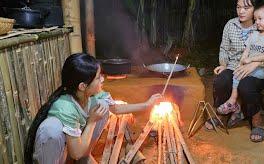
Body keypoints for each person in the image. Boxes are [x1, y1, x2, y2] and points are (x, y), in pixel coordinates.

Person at [24, 53, 163, 163]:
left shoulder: (91, 95)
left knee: (103, 106)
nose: (102, 79)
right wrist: (91, 121)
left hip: (74, 148)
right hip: (57, 154)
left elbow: (115, 109)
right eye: (98, 77)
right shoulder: (65, 107)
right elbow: (76, 153)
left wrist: (147, 104)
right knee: (51, 129)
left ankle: (85, 158)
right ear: (82, 86)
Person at [205, 0, 264, 142]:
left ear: (256, 8)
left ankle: (257, 121)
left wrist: (257, 64)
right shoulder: (231, 25)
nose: (241, 11)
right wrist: (223, 64)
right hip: (234, 67)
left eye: (246, 7)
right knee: (221, 80)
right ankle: (223, 114)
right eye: (238, 7)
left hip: (259, 71)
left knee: (246, 85)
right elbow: (223, 49)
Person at [217, 2, 264, 116]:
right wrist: (241, 61)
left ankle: (247, 112)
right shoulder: (253, 34)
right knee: (230, 76)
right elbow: (246, 49)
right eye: (238, 7)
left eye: (246, 8)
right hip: (245, 66)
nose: (257, 22)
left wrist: (252, 61)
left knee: (244, 82)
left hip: (261, 69)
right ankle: (231, 103)